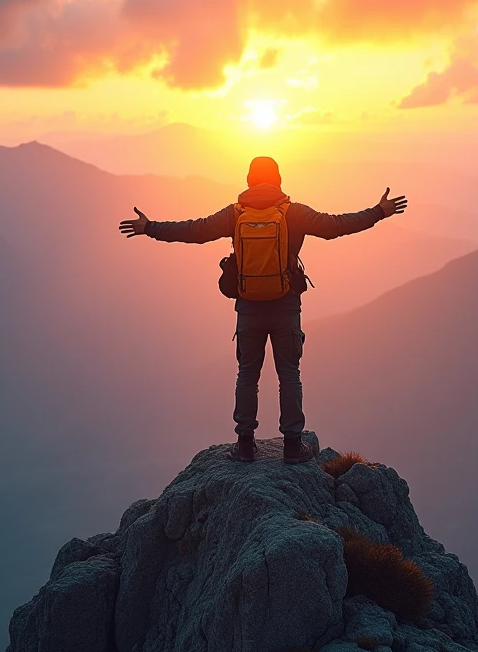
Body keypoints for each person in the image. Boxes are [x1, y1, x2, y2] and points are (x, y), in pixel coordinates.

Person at [119, 156, 407, 464]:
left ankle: (245, 445)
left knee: (247, 374)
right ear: (279, 180)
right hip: (285, 306)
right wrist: (378, 212)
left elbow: (194, 230)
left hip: (248, 308)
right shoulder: (293, 213)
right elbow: (336, 226)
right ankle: (293, 446)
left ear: (248, 180)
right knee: (289, 374)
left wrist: (149, 227)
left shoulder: (234, 214)